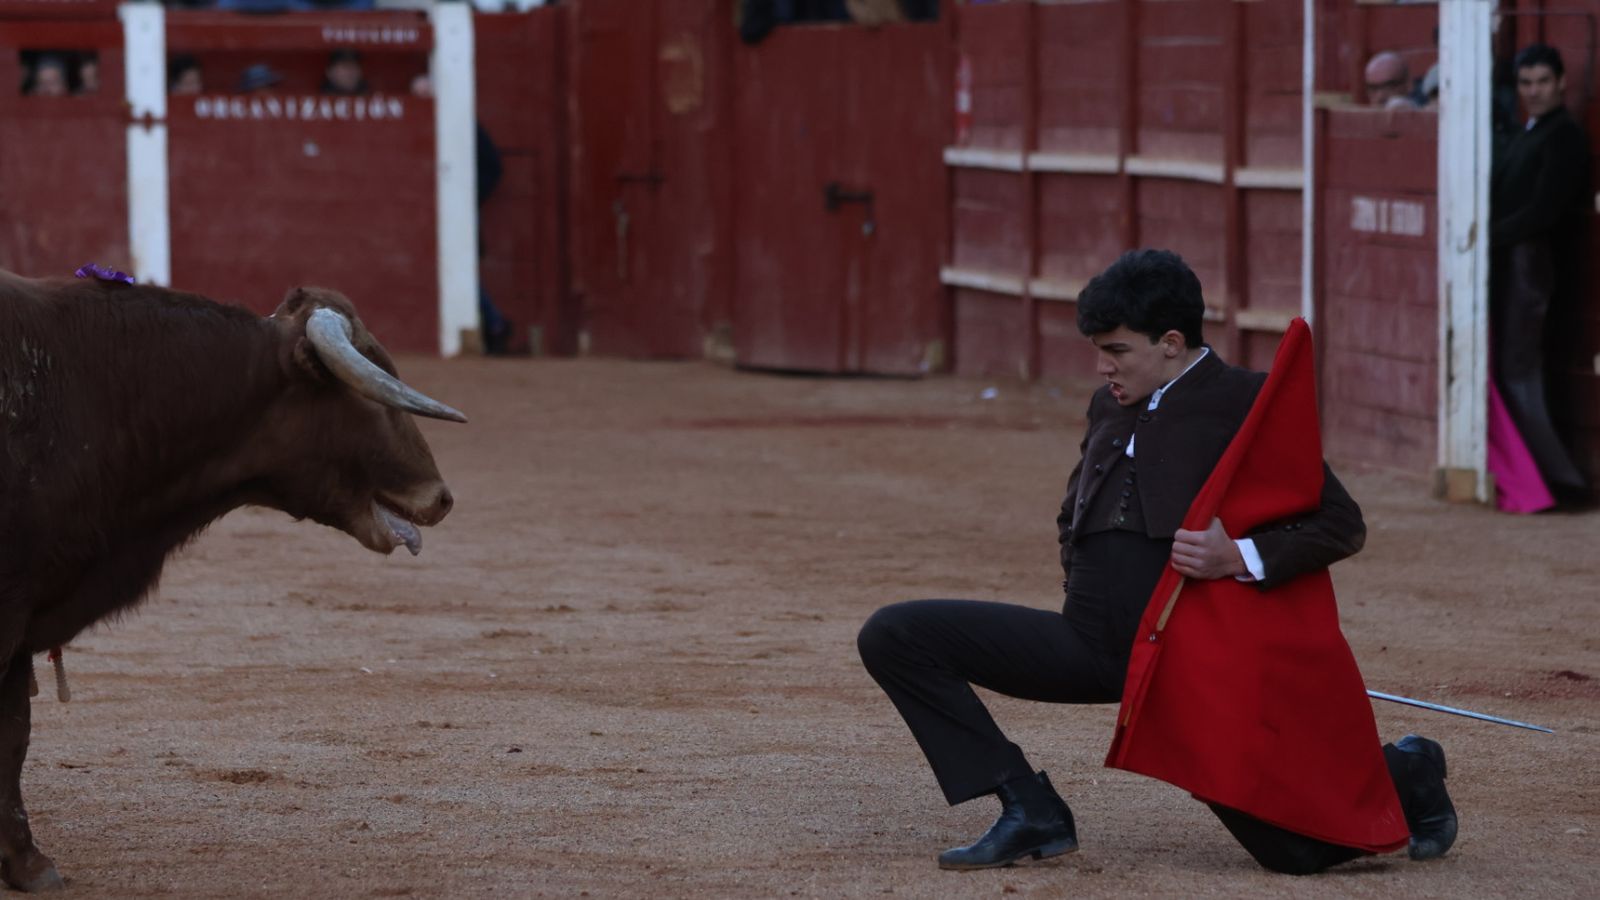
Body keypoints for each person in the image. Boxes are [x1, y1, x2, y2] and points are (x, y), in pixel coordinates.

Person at [856, 249, 1458, 874]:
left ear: (1171, 342)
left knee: (1302, 853)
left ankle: (1408, 769)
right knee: (897, 635)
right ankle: (1027, 805)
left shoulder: (1250, 402)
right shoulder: (1109, 403)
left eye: (1117, 350)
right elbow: (1077, 509)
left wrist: (1238, 555)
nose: (1102, 366)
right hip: (1087, 643)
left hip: (1187, 670)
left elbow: (1340, 521)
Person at [1488, 44, 1590, 502]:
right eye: (1527, 83)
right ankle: (1545, 475)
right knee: (1519, 370)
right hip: (1519, 262)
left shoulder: (1563, 135)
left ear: (1562, 82)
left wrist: (1483, 236)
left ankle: (1560, 480)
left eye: (1543, 82)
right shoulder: (1528, 131)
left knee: (1520, 371)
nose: (1535, 91)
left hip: (1536, 267)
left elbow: (1544, 211)